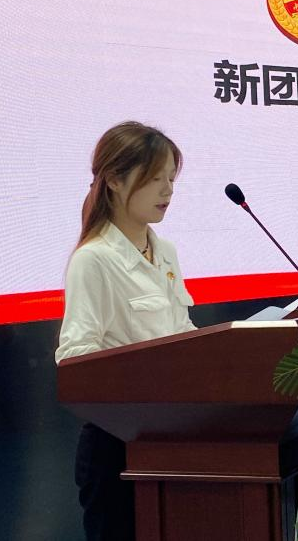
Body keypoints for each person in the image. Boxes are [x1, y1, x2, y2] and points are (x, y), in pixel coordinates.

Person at [55, 121, 196, 541]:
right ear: (114, 180)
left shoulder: (165, 251)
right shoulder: (94, 259)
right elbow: (75, 358)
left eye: (171, 179)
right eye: (154, 179)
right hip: (116, 448)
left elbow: (182, 331)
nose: (167, 191)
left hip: (171, 439)